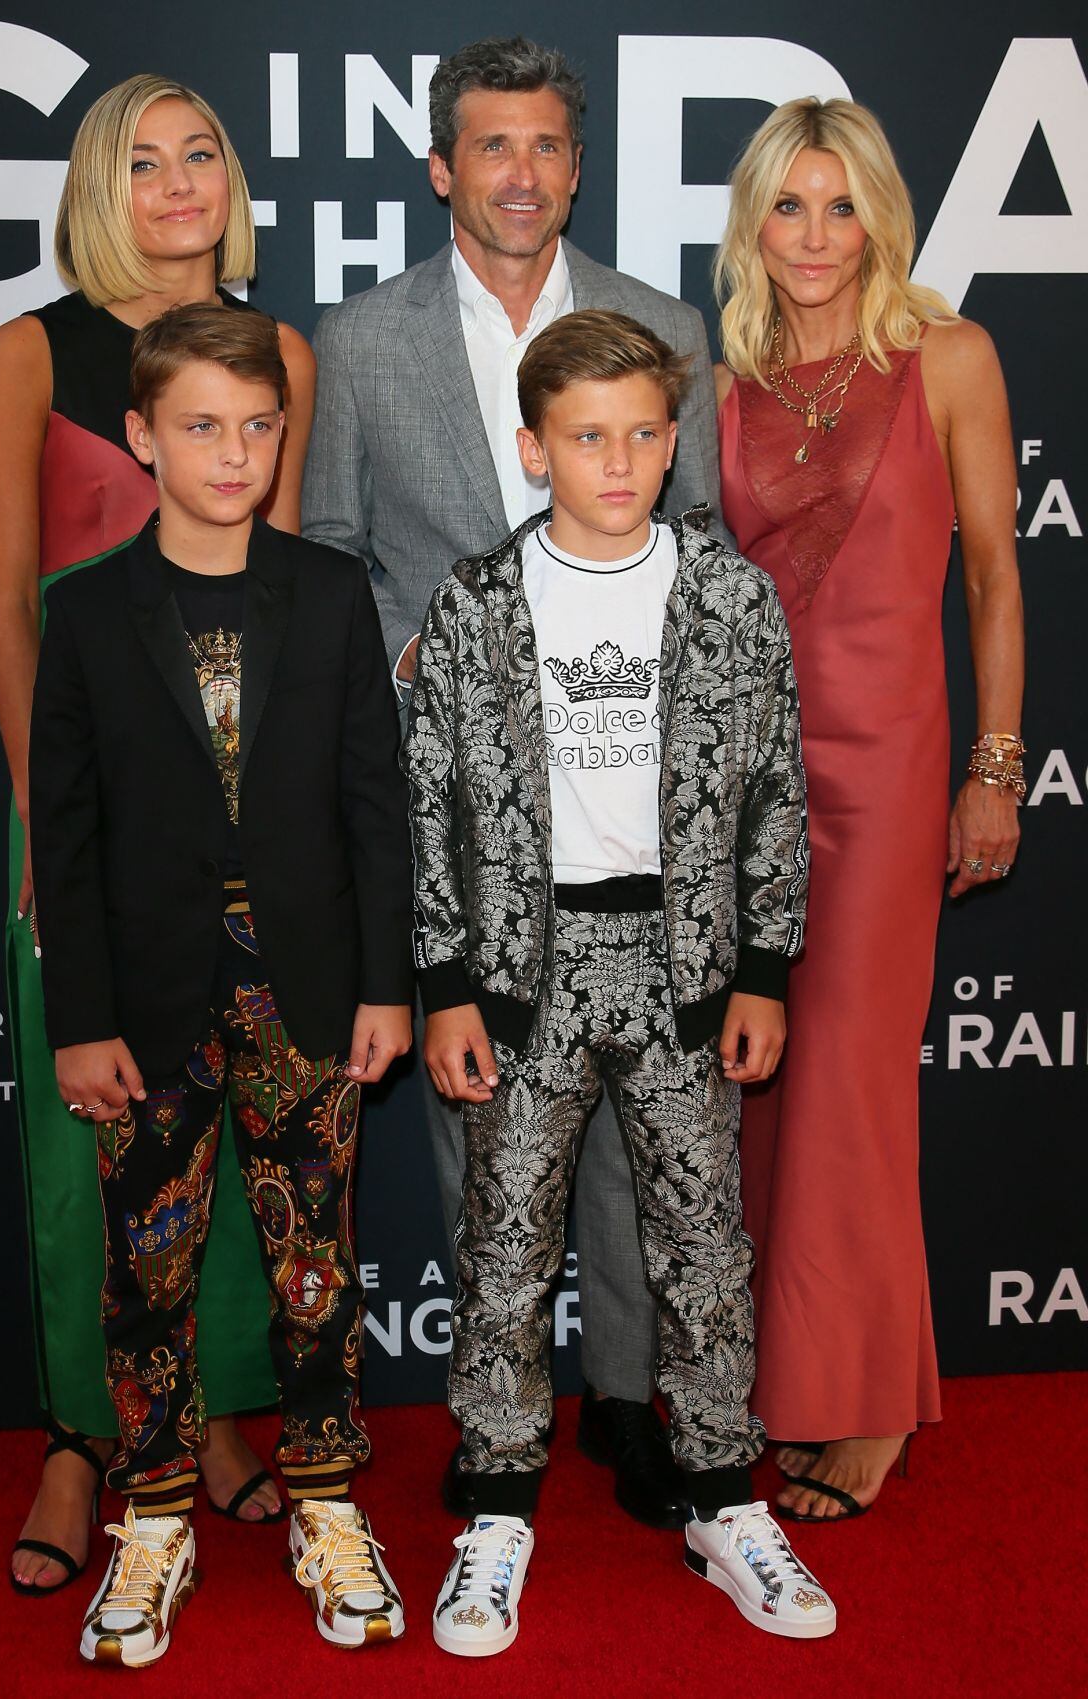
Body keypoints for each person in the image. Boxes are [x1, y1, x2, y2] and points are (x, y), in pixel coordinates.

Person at [303, 36, 729, 1529]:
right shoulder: (358, 345)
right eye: (493, 146)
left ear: (573, 163)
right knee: (484, 1097)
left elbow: (711, 551)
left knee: (636, 1103)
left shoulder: (663, 322)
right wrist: (403, 665)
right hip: (458, 810)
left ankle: (628, 1392)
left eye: (547, 146)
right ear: (442, 167)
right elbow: (334, 553)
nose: (522, 174)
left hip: (627, 789)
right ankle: (502, 1414)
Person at [403, 308, 835, 1656]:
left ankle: (719, 1494)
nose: (620, 459)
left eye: (646, 433)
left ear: (673, 442)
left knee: (704, 1243)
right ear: (535, 448)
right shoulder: (477, 601)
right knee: (506, 1247)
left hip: (682, 966)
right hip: (526, 972)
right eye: (589, 437)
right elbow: (433, 802)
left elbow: (771, 789)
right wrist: (447, 983)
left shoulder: (727, 594)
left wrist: (762, 968)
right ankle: (497, 1509)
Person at [0, 74, 317, 1592]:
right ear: (100, 190)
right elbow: (6, 601)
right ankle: (77, 1435)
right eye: (142, 162)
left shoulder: (278, 352)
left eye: (200, 157)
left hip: (241, 804)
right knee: (87, 1124)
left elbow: (285, 591)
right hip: (85, 808)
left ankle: (215, 1416)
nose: (177, 184)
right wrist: (57, 823)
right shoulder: (27, 352)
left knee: (239, 1109)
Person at [28, 304, 413, 1665]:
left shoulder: (328, 594)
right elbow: (61, 839)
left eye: (259, 426)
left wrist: (387, 982)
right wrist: (78, 1019)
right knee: (149, 1270)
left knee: (317, 1258)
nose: (235, 451)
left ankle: (323, 1497)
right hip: (142, 997)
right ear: (140, 436)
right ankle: (155, 1514)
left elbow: (378, 802)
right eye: (201, 425)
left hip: (306, 984)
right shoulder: (81, 616)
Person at [714, 97, 1024, 1520]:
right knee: (762, 1097)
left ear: (882, 217)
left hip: (892, 774)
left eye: (843, 207)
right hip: (746, 792)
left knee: (846, 1083)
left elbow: (992, 581)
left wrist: (996, 763)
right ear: (755, 224)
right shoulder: (721, 384)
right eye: (792, 207)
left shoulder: (948, 358)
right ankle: (792, 1384)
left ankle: (876, 1407)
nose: (817, 236)